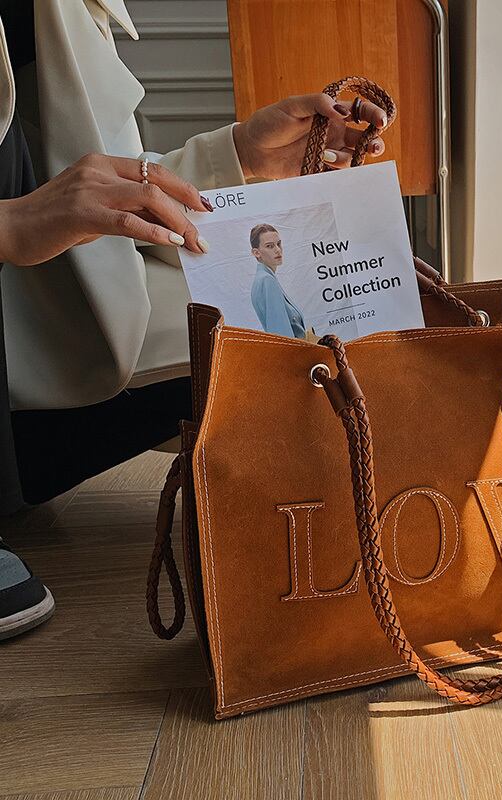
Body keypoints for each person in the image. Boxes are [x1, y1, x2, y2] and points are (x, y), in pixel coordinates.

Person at [0, 0, 388, 640]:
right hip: (27, 361)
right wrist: (9, 224)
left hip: (42, 338)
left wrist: (237, 156)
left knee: (312, 334)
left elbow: (98, 181)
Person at [249, 224, 307, 338]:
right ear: (256, 252)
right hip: (292, 349)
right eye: (270, 246)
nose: (278, 250)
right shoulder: (267, 281)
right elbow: (282, 335)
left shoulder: (264, 279)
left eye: (279, 244)